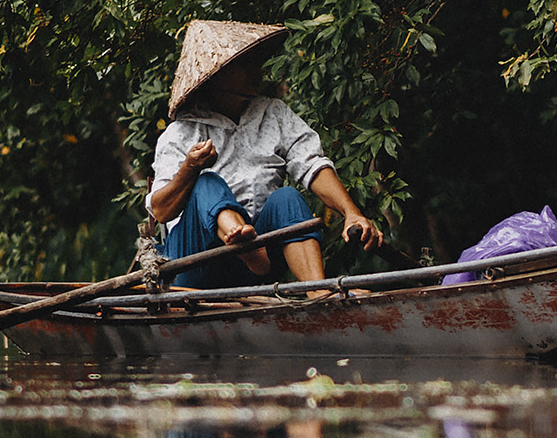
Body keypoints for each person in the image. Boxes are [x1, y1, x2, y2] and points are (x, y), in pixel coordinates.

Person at [145, 19, 384, 288]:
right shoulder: (181, 133)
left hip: (262, 263)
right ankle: (242, 241)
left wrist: (351, 212)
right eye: (242, 66)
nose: (255, 71)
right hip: (199, 267)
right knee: (206, 183)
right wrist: (189, 169)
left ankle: (318, 293)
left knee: (288, 197)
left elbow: (312, 165)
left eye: (254, 63)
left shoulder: (273, 113)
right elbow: (161, 211)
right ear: (216, 76)